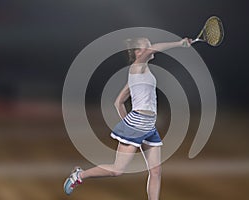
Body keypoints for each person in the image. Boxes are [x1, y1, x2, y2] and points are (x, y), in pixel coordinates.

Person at [63, 37, 192, 200]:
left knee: (156, 171)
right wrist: (180, 43)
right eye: (147, 46)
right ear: (138, 52)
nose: (151, 47)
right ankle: (79, 175)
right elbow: (155, 49)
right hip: (137, 124)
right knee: (117, 171)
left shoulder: (140, 74)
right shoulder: (137, 66)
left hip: (149, 126)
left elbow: (118, 102)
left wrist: (127, 123)